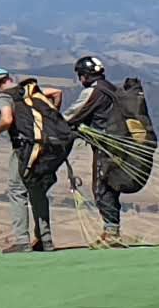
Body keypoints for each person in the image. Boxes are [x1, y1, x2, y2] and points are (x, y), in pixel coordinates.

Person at [54, 53, 131, 245]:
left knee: (102, 187)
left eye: (81, 75)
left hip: (106, 148)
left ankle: (112, 233)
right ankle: (110, 231)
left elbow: (72, 116)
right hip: (119, 146)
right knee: (109, 187)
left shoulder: (94, 92)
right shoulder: (111, 89)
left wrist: (51, 124)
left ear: (85, 75)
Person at [0, 68, 66, 252]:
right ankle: (45, 239)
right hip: (44, 148)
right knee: (37, 190)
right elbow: (57, 92)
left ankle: (22, 240)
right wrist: (52, 120)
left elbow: (7, 119)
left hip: (24, 149)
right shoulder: (30, 91)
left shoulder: (5, 97)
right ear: (9, 78)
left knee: (17, 190)